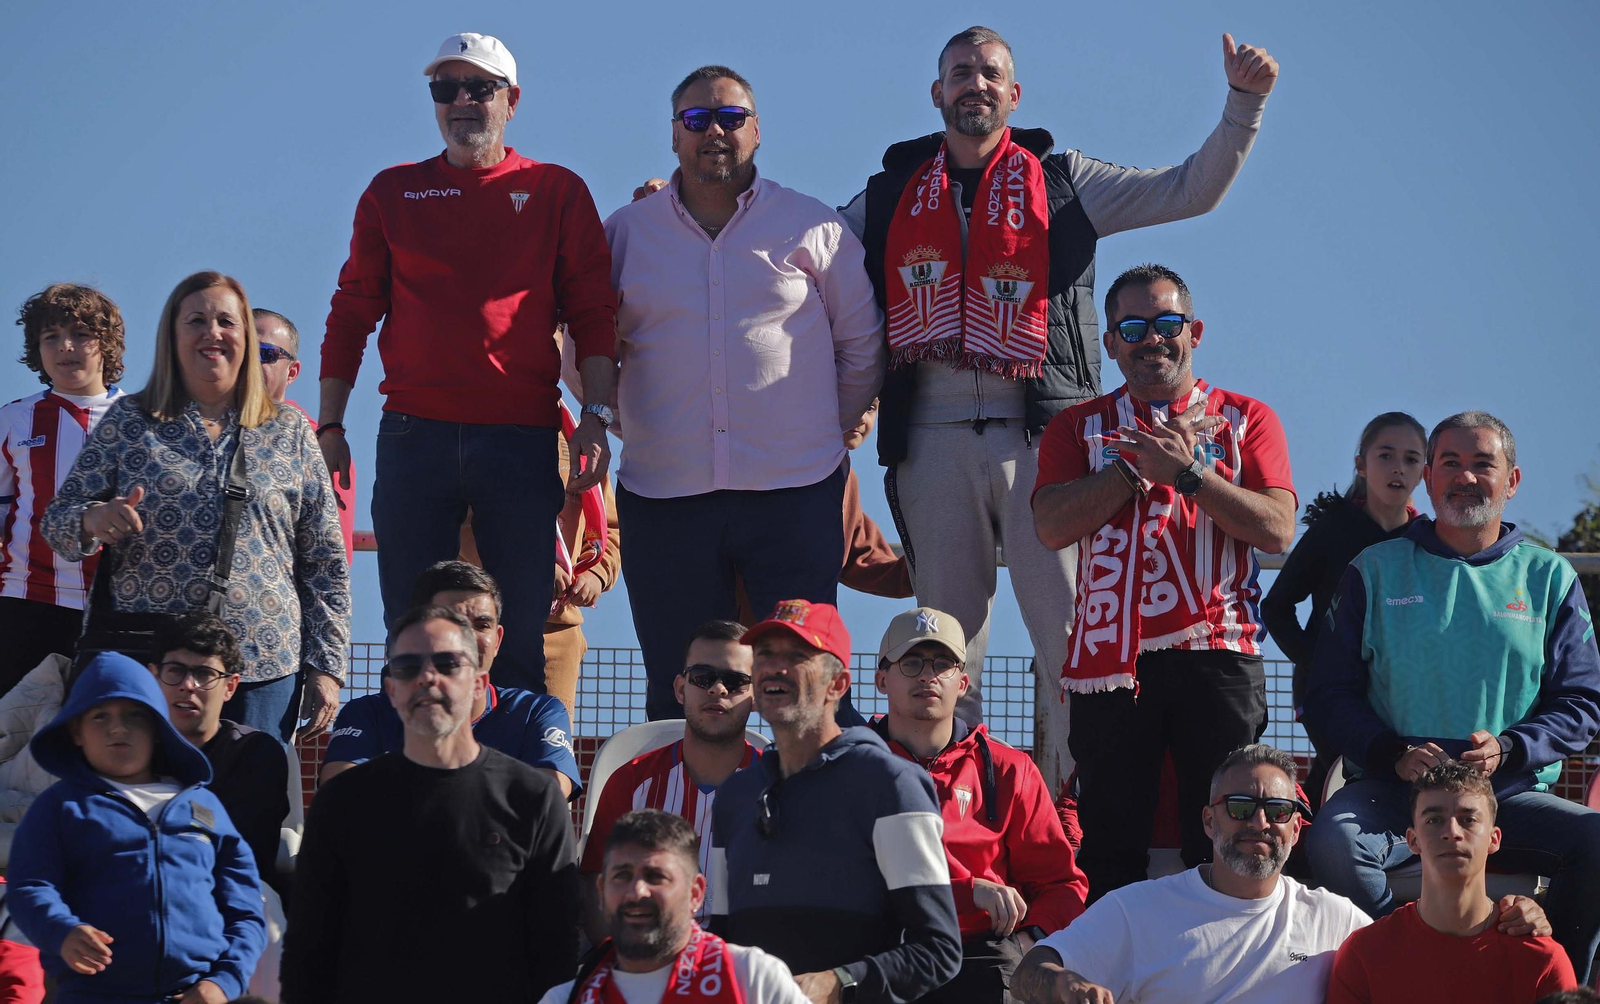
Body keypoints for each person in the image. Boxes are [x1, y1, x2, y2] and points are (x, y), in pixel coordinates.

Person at [839, 26, 1280, 796]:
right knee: (946, 645)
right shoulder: (886, 194)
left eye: (991, 74)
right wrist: (686, 200)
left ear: (1015, 95)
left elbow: (1190, 187)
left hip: (1047, 441)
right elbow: (800, 253)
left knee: (1076, 645)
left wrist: (1244, 102)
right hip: (929, 441)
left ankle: (1076, 820)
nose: (975, 84)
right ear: (937, 93)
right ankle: (954, 818)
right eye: (960, 73)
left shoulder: (1065, 179)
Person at [317, 31, 617, 695]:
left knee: (517, 634)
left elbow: (595, 310)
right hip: (413, 435)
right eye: (444, 89)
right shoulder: (392, 193)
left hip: (520, 437)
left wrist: (596, 413)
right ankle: (413, 788)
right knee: (413, 629)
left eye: (478, 87)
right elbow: (352, 310)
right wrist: (330, 425)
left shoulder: (556, 190)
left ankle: (516, 786)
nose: (461, 101)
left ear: (511, 100)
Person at [604, 64, 884, 722]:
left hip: (797, 494)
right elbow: (582, 347)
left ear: (758, 131)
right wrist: (639, 423)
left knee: (808, 686)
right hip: (663, 495)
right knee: (681, 691)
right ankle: (682, 827)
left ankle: (823, 820)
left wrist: (821, 428)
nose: (715, 131)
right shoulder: (623, 233)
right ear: (674, 135)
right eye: (697, 119)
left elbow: (863, 343)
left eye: (731, 117)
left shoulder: (813, 227)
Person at [1303, 410, 1600, 984]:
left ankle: (1548, 982)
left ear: (1511, 480)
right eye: (1450, 464)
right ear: (1430, 480)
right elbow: (1328, 694)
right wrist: (1390, 751)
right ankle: (1416, 966)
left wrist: (1512, 748)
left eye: (1482, 464)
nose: (1465, 477)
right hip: (1393, 792)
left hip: (1509, 794)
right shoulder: (1373, 570)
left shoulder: (1550, 577)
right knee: (1335, 846)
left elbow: (1583, 703)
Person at [1030, 263, 1296, 899]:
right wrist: (1133, 470)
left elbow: (1278, 529)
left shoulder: (1247, 418)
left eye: (1168, 323)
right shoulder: (1077, 427)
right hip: (1110, 665)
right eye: (1134, 326)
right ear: (1112, 343)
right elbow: (1049, 526)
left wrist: (1191, 476)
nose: (1154, 339)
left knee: (1224, 839)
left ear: (1194, 331)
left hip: (1218, 654)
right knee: (1110, 843)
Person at [41, 270, 349, 743]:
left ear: (245, 335)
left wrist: (326, 668)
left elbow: (324, 561)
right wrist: (93, 519)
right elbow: (58, 522)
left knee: (246, 809)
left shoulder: (289, 431)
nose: (213, 332)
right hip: (147, 663)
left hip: (261, 667)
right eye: (196, 320)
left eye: (227, 321)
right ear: (172, 335)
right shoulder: (129, 421)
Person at [1011, 744, 1545, 1004]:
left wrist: (1516, 915)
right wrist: (1066, 984)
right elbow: (1030, 970)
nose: (1259, 823)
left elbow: (1431, 945)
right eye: (1240, 807)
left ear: (1297, 828)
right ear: (1207, 819)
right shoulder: (1138, 909)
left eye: (1279, 811)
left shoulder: (1336, 921)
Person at [281, 606, 579, 1004]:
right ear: (391, 691)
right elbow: (308, 951)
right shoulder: (344, 802)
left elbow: (556, 952)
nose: (426, 677)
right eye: (406, 666)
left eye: (447, 664)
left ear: (479, 683)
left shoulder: (534, 800)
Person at [711, 599, 961, 1004]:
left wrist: (838, 982)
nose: (776, 667)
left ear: (838, 685)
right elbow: (718, 936)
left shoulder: (891, 785)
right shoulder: (735, 797)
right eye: (765, 655)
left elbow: (938, 951)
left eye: (797, 656)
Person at [7, 651, 266, 1004]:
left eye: (135, 716)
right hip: (93, 994)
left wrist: (224, 981)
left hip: (198, 994)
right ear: (76, 732)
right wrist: (61, 932)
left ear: (158, 729)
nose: (118, 728)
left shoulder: (204, 805)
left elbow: (246, 910)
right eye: (100, 716)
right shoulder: (58, 807)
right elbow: (31, 886)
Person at [870, 607, 1087, 1004]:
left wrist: (1028, 940)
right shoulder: (849, 765)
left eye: (944, 663)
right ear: (882, 679)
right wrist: (967, 892)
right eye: (912, 661)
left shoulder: (1009, 770)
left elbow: (1063, 884)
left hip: (981, 952)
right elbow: (843, 877)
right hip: (878, 944)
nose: (927, 675)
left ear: (963, 682)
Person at [1261, 411, 1425, 806]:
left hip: (1398, 690)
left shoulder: (1427, 540)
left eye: (1411, 458)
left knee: (1392, 775)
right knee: (1341, 765)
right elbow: (1277, 606)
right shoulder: (1333, 530)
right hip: (1328, 689)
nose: (1397, 468)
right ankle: (1312, 848)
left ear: (1426, 471)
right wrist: (1315, 663)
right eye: (1385, 455)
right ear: (1361, 464)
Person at [321, 561, 581, 798]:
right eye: (453, 622)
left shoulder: (537, 712)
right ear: (419, 630)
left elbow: (549, 797)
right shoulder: (367, 713)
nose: (468, 638)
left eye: (481, 625)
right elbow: (341, 795)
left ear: (498, 640)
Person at [1326, 761, 1577, 1003]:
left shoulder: (1541, 959)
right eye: (1434, 820)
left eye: (1468, 819)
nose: (1452, 832)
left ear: (1494, 839)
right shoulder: (1365, 954)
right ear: (1413, 840)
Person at [580, 620, 759, 941]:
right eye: (703, 677)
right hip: (648, 961)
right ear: (680, 689)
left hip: (748, 967)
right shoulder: (631, 780)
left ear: (755, 695)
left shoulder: (781, 784)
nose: (718, 689)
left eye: (735, 681)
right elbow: (597, 882)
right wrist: (621, 962)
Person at [1, 284, 127, 694]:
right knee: (16, 742)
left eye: (81, 334)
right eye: (50, 336)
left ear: (106, 344)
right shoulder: (13, 420)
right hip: (25, 604)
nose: (65, 346)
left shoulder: (145, 421)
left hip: (119, 611)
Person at [548, 810, 809, 1004]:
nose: (637, 891)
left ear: (695, 894)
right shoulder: (565, 999)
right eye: (622, 876)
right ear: (602, 892)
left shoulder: (754, 980)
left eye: (656, 877)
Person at [148, 612, 294, 900]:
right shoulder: (128, 746)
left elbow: (243, 856)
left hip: (225, 902)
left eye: (204, 674)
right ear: (154, 676)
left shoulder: (255, 754)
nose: (188, 685)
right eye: (175, 670)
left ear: (230, 686)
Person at [253, 308, 355, 565]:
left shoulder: (319, 447)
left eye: (265, 354)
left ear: (292, 373)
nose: (250, 364)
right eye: (241, 351)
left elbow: (331, 558)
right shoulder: (196, 430)